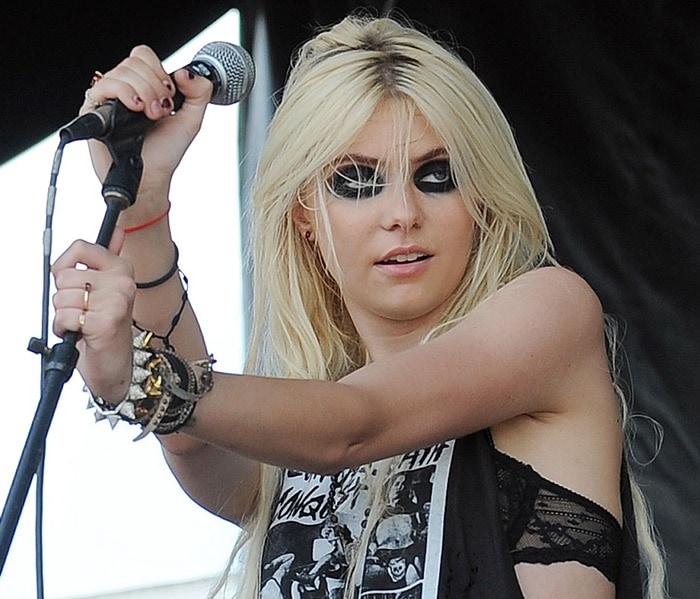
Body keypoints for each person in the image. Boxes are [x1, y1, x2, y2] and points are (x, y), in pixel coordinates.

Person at [51, 13, 667, 599]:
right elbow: (196, 441)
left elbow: (355, 423)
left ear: (480, 196)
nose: (402, 212)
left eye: (437, 175)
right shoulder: (304, 423)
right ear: (305, 214)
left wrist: (140, 379)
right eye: (358, 181)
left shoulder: (551, 312)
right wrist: (144, 207)